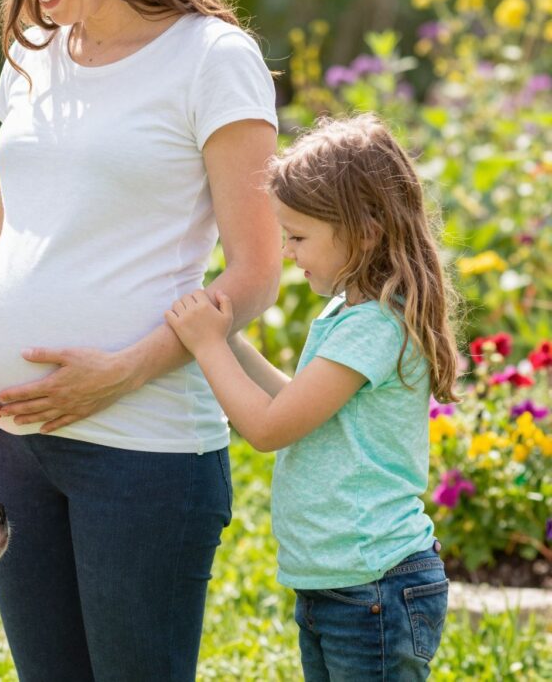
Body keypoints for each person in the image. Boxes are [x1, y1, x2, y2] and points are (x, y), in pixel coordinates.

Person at [0, 0, 282, 681]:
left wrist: (122, 371)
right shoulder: (33, 58)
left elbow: (255, 274)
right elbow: (7, 231)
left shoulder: (211, 59)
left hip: (144, 444)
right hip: (10, 431)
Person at [165, 113, 458, 680]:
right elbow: (298, 407)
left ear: (364, 230)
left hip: (374, 584)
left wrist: (208, 349)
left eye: (298, 236)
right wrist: (230, 340)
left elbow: (269, 429)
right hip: (338, 582)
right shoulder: (344, 311)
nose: (289, 252)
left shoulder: (376, 326)